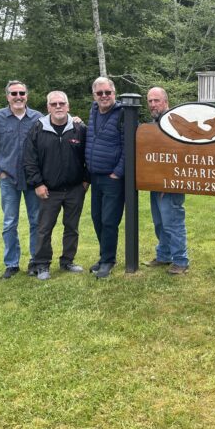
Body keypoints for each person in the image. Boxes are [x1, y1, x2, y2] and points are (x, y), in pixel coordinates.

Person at [0, 80, 42, 279]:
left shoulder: (38, 118)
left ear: (27, 96)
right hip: (9, 179)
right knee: (9, 223)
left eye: (22, 93)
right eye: (14, 93)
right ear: (7, 96)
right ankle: (12, 264)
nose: (18, 97)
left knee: (36, 221)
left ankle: (35, 261)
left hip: (33, 179)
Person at [23, 91, 88, 280]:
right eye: (54, 104)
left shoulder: (79, 128)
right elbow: (29, 160)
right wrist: (38, 183)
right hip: (48, 190)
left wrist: (85, 179)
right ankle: (42, 264)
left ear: (68, 106)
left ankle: (67, 261)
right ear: (48, 107)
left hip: (75, 189)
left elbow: (89, 155)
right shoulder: (37, 128)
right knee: (44, 228)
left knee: (72, 227)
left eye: (62, 103)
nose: (58, 107)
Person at [143, 87, 189, 275]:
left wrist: (168, 180)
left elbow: (181, 154)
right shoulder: (153, 124)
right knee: (160, 222)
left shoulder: (173, 123)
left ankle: (180, 260)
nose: (153, 104)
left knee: (173, 222)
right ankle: (164, 255)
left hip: (172, 183)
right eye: (150, 101)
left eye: (157, 100)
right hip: (155, 182)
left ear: (166, 102)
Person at [85, 76, 125, 279]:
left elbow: (129, 147)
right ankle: (104, 256)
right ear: (94, 95)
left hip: (113, 179)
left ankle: (108, 260)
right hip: (96, 176)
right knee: (97, 218)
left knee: (109, 220)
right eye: (99, 93)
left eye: (107, 92)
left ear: (114, 93)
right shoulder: (92, 112)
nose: (104, 96)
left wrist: (117, 173)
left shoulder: (123, 114)